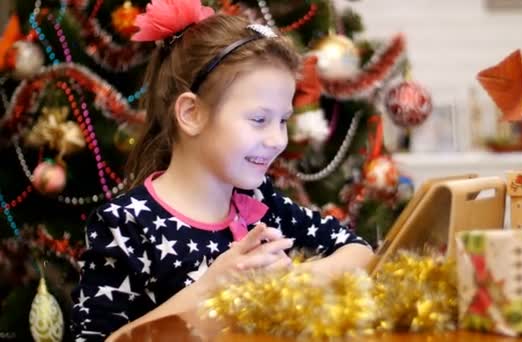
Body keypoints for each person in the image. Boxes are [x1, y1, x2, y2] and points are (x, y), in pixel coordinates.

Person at [70, 0, 373, 340]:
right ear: (191, 114)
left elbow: (359, 251)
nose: (277, 140)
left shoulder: (261, 203)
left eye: (284, 121)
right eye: (259, 120)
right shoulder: (126, 225)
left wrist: (294, 282)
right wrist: (211, 288)